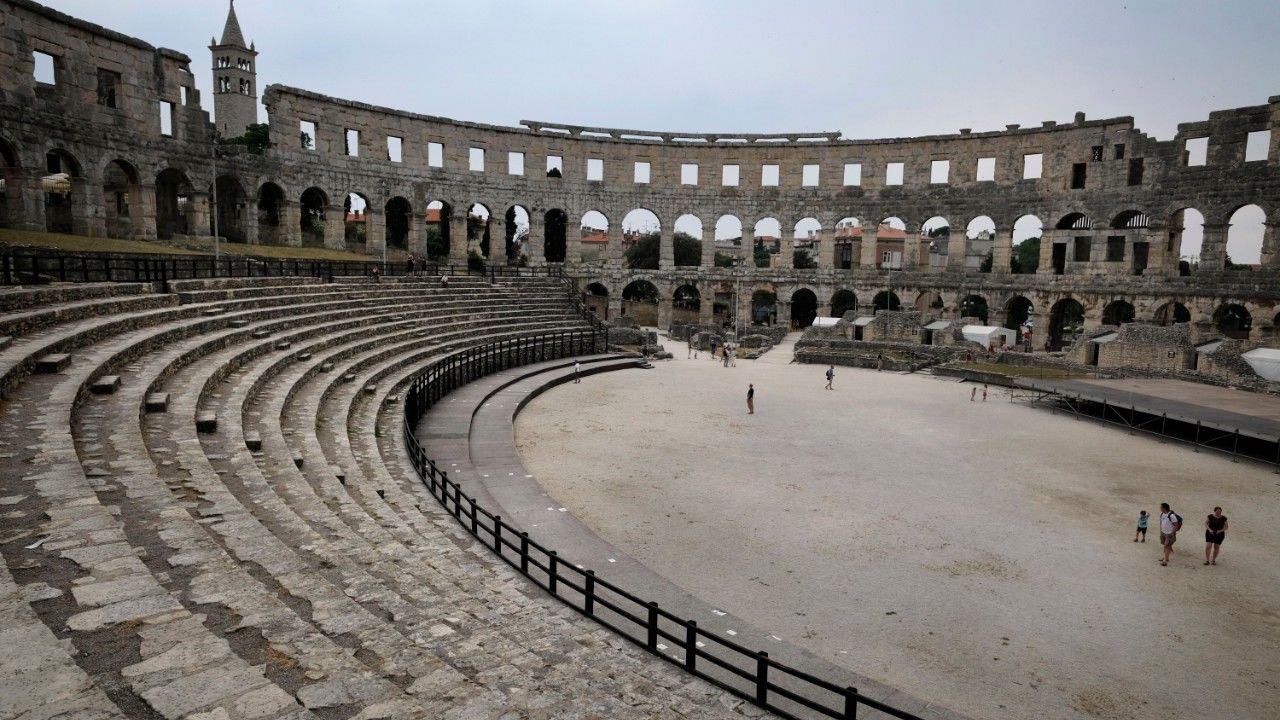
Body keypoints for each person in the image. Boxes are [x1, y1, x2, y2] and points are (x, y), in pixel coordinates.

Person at [1158, 502, 1182, 566]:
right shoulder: (1162, 514)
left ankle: (1165, 560)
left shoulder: (1171, 516)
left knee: (1166, 546)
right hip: (1163, 532)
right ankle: (1166, 557)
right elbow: (1161, 523)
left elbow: (1176, 525)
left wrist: (1172, 533)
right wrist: (1161, 531)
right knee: (1165, 545)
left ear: (1164, 508)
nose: (1160, 508)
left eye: (1161, 507)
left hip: (1169, 534)